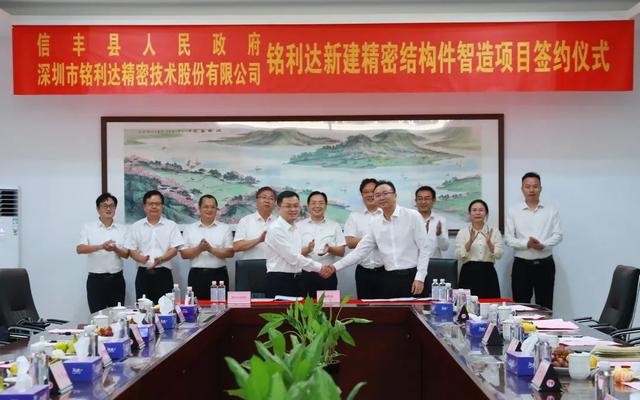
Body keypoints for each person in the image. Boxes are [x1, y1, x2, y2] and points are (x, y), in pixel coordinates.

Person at [323, 181, 433, 298]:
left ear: (395, 195)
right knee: (388, 310)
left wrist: (420, 278)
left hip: (413, 277)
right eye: (378, 195)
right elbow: (360, 251)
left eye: (385, 193)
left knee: (417, 310)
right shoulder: (375, 223)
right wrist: (334, 267)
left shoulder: (412, 216)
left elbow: (425, 249)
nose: (382, 197)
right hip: (389, 278)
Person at [505, 172, 562, 310]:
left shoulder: (551, 210)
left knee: (545, 307)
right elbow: (508, 239)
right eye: (527, 186)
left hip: (545, 265)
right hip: (522, 266)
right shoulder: (513, 211)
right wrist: (527, 244)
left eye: (535, 186)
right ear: (522, 189)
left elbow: (558, 235)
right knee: (520, 307)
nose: (531, 190)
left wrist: (543, 245)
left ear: (540, 188)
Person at [263, 191, 332, 298]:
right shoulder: (276, 229)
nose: (293, 209)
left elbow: (297, 254)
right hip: (280, 281)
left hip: (297, 280)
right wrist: (320, 267)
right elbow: (293, 258)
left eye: (296, 206)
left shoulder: (295, 228)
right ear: (278, 208)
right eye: (288, 206)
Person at [124, 190, 184, 304]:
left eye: (157, 204)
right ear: (144, 207)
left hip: (164, 274)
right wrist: (140, 258)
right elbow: (131, 249)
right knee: (143, 309)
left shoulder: (171, 225)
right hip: (143, 274)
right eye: (151, 204)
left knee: (166, 308)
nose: (154, 206)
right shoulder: (136, 226)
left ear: (162, 206)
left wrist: (162, 258)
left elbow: (175, 248)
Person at [76, 193, 129, 313]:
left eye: (111, 206)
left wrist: (115, 249)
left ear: (115, 208)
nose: (108, 209)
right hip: (96, 281)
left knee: (117, 316)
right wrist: (101, 246)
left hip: (117, 280)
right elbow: (80, 249)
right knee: (97, 316)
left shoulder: (123, 229)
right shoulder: (88, 227)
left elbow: (126, 254)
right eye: (105, 206)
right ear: (98, 209)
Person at [180, 194, 234, 300]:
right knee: (197, 307)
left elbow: (230, 252)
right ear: (199, 209)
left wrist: (210, 249)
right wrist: (199, 249)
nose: (209, 210)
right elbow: (184, 254)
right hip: (197, 276)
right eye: (206, 207)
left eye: (212, 207)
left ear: (216, 210)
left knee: (220, 307)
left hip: (219, 276)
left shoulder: (225, 228)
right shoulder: (189, 229)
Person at [299, 191, 346, 297]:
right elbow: (294, 254)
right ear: (308, 206)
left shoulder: (335, 226)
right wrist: (307, 249)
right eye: (313, 203)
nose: (317, 206)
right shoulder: (298, 226)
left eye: (320, 203)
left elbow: (341, 252)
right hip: (305, 275)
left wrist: (330, 249)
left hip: (327, 274)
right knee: (305, 307)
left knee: (328, 307)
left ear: (325, 205)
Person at [344, 178, 384, 299]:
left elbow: (392, 241)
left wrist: (362, 240)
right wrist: (375, 240)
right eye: (366, 192)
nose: (369, 195)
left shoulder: (387, 215)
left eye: (373, 191)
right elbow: (350, 242)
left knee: (386, 307)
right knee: (364, 307)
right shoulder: (354, 216)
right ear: (362, 195)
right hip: (363, 272)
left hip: (386, 271)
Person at [455, 199, 504, 299]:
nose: (478, 213)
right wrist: (470, 242)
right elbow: (458, 255)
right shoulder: (463, 232)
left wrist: (489, 243)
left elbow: (499, 254)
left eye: (481, 210)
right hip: (468, 272)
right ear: (469, 213)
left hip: (488, 272)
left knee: (490, 304)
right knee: (467, 306)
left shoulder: (494, 231)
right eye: (474, 210)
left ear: (486, 213)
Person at [233, 186, 277, 260]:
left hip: (274, 265)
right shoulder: (245, 221)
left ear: (274, 203)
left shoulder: (279, 222)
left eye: (271, 198)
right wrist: (259, 240)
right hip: (252, 266)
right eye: (264, 197)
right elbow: (236, 247)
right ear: (257, 201)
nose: (267, 201)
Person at [415, 186, 449, 258]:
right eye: (420, 199)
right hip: (413, 263)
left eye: (427, 198)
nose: (423, 202)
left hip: (434, 262)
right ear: (416, 201)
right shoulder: (409, 219)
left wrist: (439, 235)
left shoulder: (440, 220)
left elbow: (444, 247)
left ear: (433, 200)